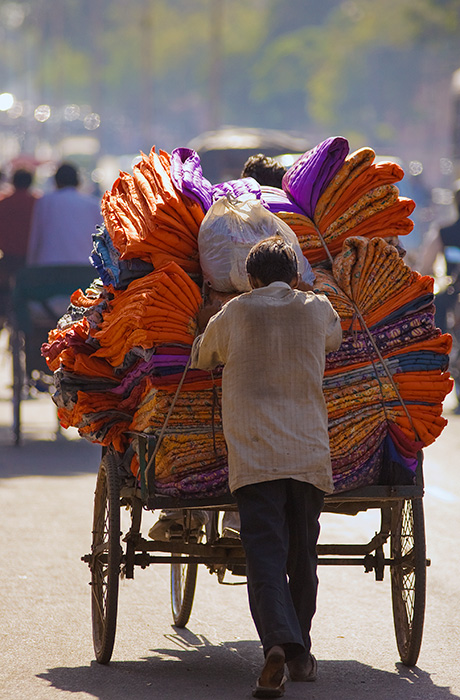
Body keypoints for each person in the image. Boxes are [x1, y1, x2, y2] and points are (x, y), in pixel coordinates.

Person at [190, 236, 342, 698]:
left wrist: (201, 334)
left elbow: (201, 357)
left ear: (249, 281)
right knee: (303, 554)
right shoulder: (317, 309)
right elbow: (334, 339)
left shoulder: (235, 312)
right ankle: (300, 655)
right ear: (295, 275)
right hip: (308, 453)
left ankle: (277, 644)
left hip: (255, 455)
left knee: (266, 554)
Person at [27, 162, 102, 266]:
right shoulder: (93, 204)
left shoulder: (45, 201)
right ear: (78, 182)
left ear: (56, 182)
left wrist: (31, 263)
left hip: (50, 265)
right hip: (84, 265)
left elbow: (36, 237)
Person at [0, 169, 38, 327]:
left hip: (8, 259)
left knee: (3, 294)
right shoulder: (37, 203)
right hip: (30, 262)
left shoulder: (4, 203)